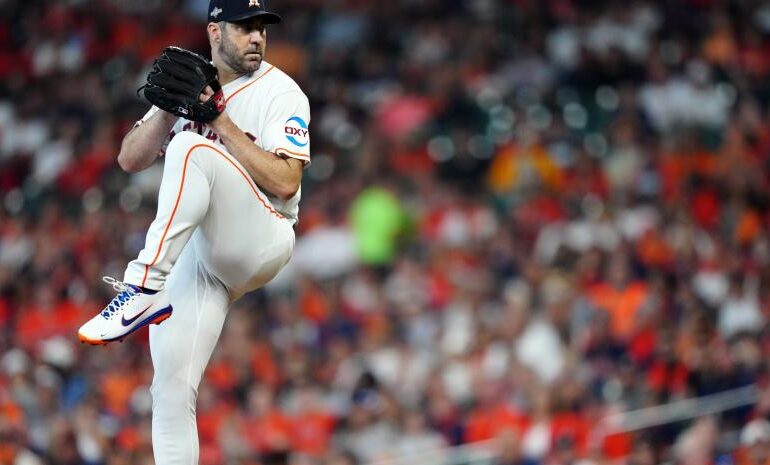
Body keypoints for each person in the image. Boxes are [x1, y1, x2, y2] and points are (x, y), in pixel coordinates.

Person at [76, 0, 311, 462]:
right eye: (244, 27)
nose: (257, 37)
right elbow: (129, 159)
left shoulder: (281, 92)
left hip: (263, 233)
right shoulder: (193, 83)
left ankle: (142, 286)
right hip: (204, 256)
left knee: (190, 146)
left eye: (261, 28)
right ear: (214, 31)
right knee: (170, 388)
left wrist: (219, 121)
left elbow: (287, 182)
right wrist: (166, 111)